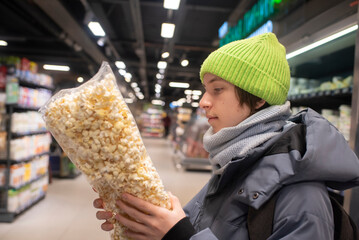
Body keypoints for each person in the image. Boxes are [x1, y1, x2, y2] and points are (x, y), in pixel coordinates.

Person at [93, 33, 359, 239]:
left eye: (217, 89)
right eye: (205, 90)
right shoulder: (234, 166)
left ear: (258, 98)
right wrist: (147, 224)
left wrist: (176, 235)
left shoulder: (302, 197)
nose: (203, 102)